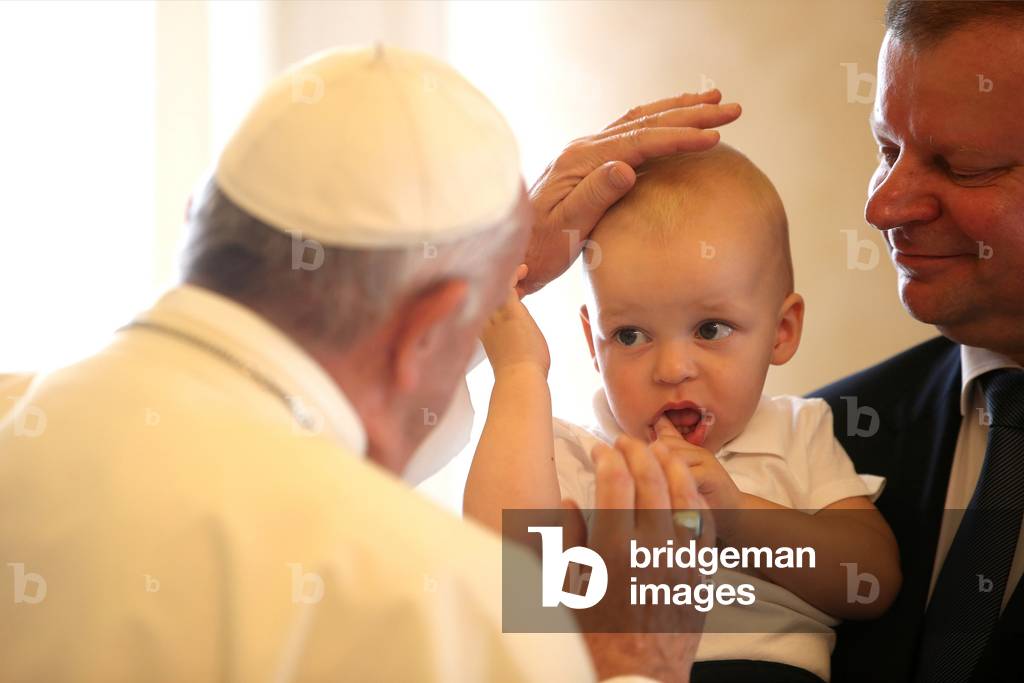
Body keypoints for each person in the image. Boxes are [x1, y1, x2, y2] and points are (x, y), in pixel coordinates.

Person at [0, 45, 742, 681]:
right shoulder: (446, 610)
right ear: (425, 329)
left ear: (200, 220)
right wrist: (634, 666)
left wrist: (480, 271)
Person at [465, 146, 900, 683]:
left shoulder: (797, 430)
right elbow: (500, 572)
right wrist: (519, 372)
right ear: (593, 344)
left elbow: (873, 581)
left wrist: (737, 517)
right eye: (630, 335)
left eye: (711, 329)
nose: (671, 369)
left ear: (781, 332)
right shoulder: (574, 453)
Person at [808, 2, 1024, 682]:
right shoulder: (817, 445)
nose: (883, 206)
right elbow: (525, 597)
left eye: (961, 166)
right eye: (887, 149)